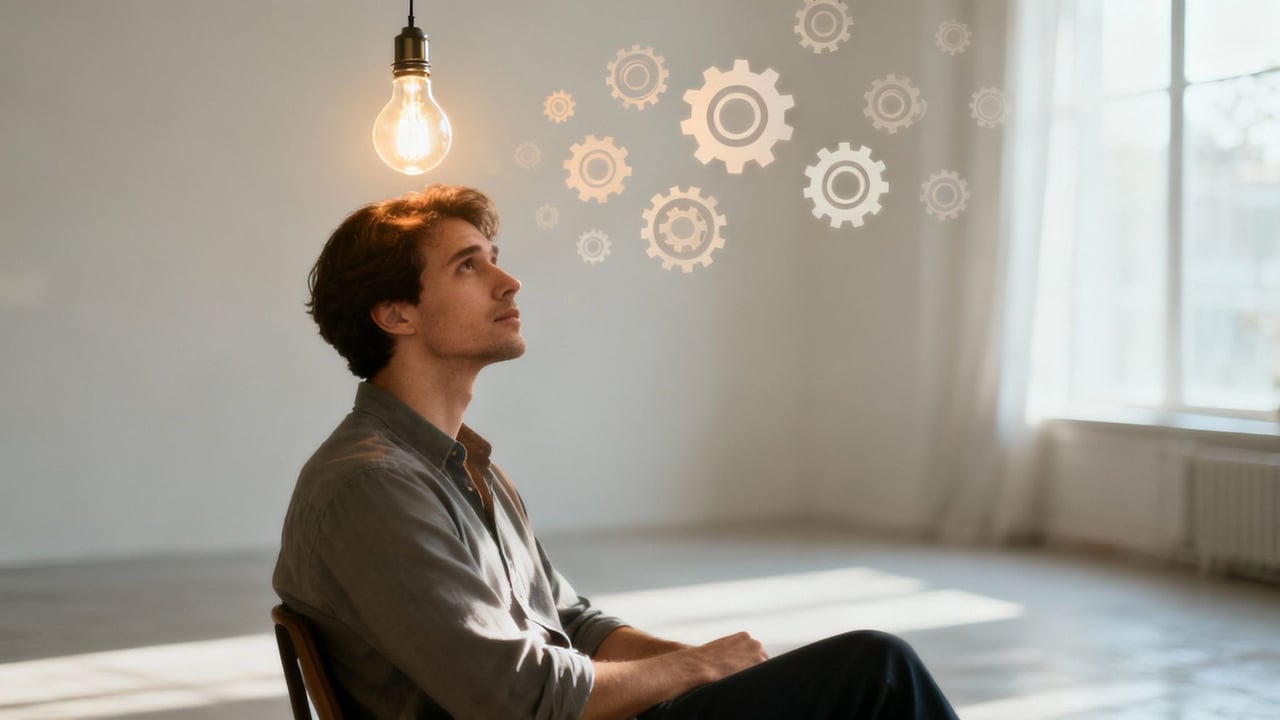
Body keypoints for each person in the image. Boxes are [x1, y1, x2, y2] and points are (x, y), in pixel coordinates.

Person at [273, 184, 959, 720]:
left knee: (848, 682)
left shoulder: (466, 467)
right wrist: (698, 669)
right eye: (468, 266)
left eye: (494, 258)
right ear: (396, 314)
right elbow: (518, 700)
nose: (508, 282)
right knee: (876, 669)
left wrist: (706, 666)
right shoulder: (372, 485)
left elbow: (573, 623)